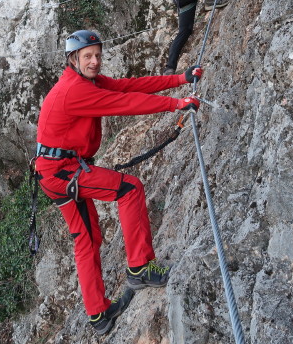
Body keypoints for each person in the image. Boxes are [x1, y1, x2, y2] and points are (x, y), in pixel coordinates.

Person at [35, 29, 202, 335]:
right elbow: (125, 104)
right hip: (62, 172)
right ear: (73, 59)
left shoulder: (88, 81)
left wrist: (180, 80)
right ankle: (140, 268)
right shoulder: (75, 90)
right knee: (130, 188)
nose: (95, 61)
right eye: (88, 56)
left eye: (98, 55)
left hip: (54, 173)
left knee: (87, 240)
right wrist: (176, 105)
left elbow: (129, 86)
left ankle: (98, 315)